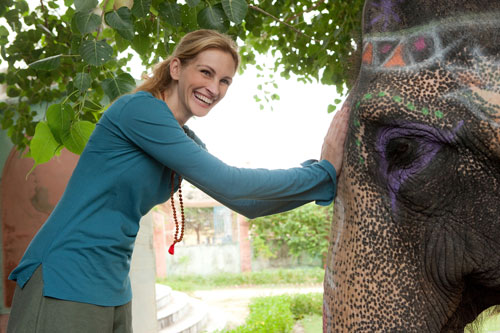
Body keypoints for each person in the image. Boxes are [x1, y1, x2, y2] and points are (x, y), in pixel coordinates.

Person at [6, 29, 350, 332]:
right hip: (65, 274)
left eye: (225, 81)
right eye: (206, 72)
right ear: (176, 68)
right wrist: (322, 171)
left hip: (112, 283)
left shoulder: (180, 139)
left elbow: (246, 201)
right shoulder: (139, 111)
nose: (214, 88)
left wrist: (326, 178)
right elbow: (234, 184)